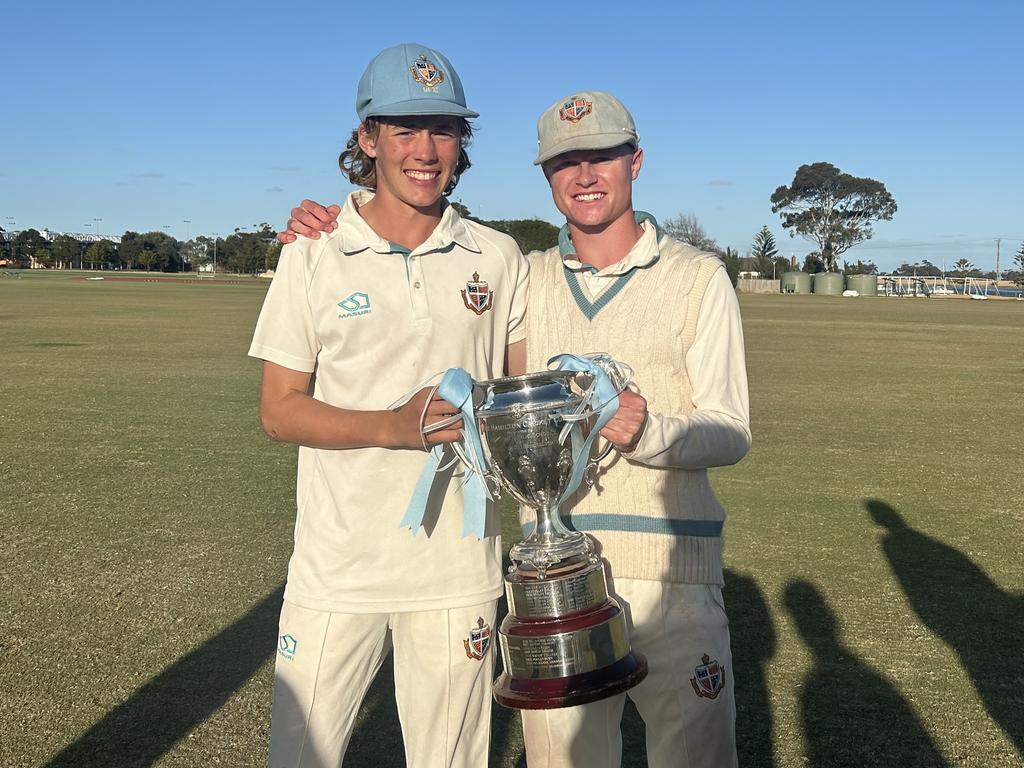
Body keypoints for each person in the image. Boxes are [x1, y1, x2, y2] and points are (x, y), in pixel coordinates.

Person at [282, 91, 751, 768]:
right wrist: (323, 223)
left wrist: (648, 430)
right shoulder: (525, 277)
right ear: (546, 177)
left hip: (671, 577)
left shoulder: (697, 278)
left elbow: (731, 430)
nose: (585, 175)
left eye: (602, 157)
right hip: (547, 583)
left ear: (636, 162)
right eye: (565, 163)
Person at [250, 43, 529, 768]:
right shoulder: (312, 251)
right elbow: (280, 410)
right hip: (337, 566)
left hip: (458, 571)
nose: (426, 151)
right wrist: (392, 428)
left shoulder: (497, 256)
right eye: (404, 129)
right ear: (367, 139)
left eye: (444, 130)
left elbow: (517, 398)